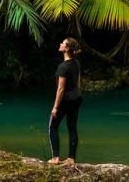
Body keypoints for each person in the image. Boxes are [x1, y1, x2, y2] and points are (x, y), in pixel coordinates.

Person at [47, 37, 82, 165]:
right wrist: (77, 93)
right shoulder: (76, 63)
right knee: (72, 128)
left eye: (63, 43)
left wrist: (55, 107)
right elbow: (78, 82)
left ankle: (55, 157)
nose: (60, 44)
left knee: (52, 127)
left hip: (65, 100)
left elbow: (61, 89)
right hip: (76, 98)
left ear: (67, 49)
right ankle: (71, 159)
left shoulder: (63, 67)